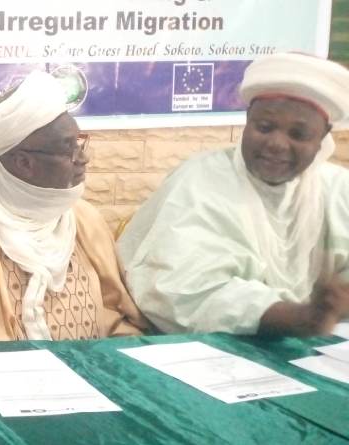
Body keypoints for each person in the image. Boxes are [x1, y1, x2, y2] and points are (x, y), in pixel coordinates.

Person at [0, 71, 148, 344]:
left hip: (96, 364)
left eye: (80, 143)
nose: (83, 158)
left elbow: (117, 317)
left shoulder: (84, 217)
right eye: (68, 148)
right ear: (23, 163)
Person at [118, 53, 349, 336]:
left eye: (298, 134)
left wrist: (335, 304)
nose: (277, 143)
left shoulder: (338, 190)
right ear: (247, 120)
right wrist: (296, 317)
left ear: (322, 138)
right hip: (204, 348)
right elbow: (178, 291)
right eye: (265, 127)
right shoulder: (199, 180)